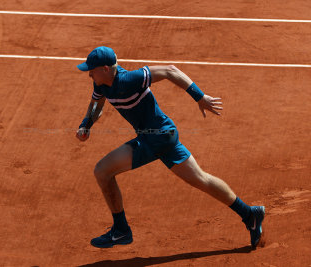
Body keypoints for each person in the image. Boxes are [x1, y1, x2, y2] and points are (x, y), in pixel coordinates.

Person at [76, 46, 265, 249]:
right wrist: (86, 124)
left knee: (102, 171)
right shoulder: (102, 84)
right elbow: (96, 105)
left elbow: (170, 70)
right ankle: (249, 214)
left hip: (157, 137)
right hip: (163, 137)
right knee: (201, 179)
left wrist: (199, 97)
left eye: (92, 70)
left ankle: (121, 230)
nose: (89, 74)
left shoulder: (130, 79)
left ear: (105, 69)